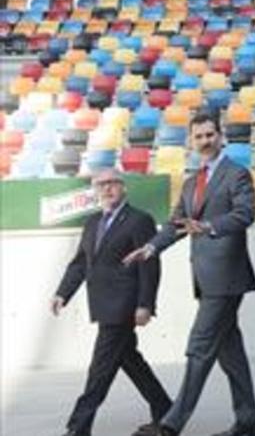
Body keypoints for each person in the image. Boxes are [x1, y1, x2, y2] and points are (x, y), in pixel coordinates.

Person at [125, 112, 255, 436]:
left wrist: (210, 226)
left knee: (199, 346)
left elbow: (245, 214)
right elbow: (176, 225)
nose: (205, 141)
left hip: (227, 278)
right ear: (191, 141)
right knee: (232, 355)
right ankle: (249, 422)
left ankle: (171, 424)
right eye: (198, 136)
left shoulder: (237, 174)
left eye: (210, 134)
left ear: (220, 136)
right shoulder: (191, 183)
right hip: (205, 279)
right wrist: (151, 248)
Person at [52, 168, 173, 436]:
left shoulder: (140, 220)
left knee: (100, 370)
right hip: (102, 305)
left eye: (112, 183)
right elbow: (81, 263)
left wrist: (145, 304)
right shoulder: (92, 223)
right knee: (130, 361)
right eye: (101, 185)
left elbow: (149, 265)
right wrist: (62, 293)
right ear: (95, 191)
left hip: (123, 307)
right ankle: (166, 412)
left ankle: (78, 428)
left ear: (124, 187)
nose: (107, 189)